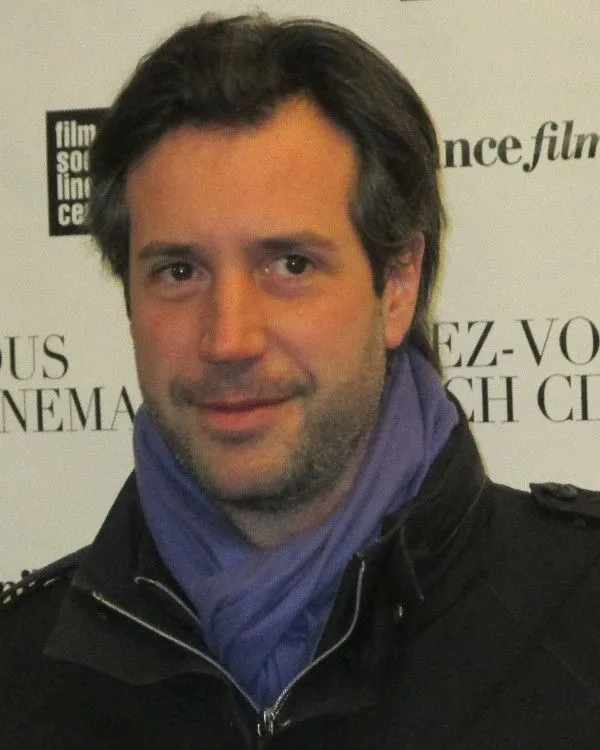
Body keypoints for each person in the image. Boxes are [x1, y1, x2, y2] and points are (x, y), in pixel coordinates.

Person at [2, 13, 600, 749]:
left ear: (398, 285)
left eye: (290, 265)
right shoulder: (19, 677)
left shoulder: (582, 616)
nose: (229, 340)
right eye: (179, 271)